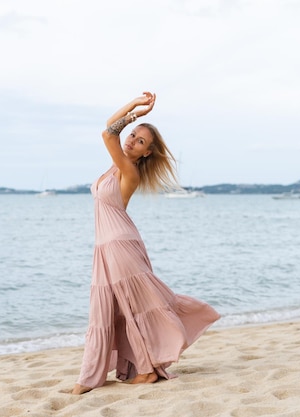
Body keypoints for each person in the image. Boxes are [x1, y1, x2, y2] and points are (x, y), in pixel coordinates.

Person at [72, 92, 220, 395]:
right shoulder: (116, 165)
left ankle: (135, 373)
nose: (131, 140)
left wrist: (135, 116)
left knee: (134, 307)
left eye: (140, 141)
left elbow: (108, 132)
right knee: (119, 309)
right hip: (107, 245)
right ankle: (129, 372)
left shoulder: (129, 171)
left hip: (119, 245)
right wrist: (135, 105)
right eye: (133, 135)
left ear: (146, 153)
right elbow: (111, 126)